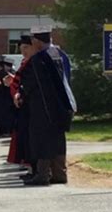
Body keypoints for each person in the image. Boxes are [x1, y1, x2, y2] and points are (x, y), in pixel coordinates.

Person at [18, 25, 75, 186]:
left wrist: (22, 93)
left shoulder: (39, 59)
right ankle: (60, 173)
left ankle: (42, 174)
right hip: (62, 105)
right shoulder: (61, 54)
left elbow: (30, 83)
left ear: (36, 41)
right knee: (58, 139)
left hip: (42, 107)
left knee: (41, 139)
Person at [7, 35, 36, 179]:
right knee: (23, 137)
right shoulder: (25, 62)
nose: (23, 51)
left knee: (29, 137)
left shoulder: (34, 63)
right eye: (21, 49)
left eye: (26, 48)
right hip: (23, 106)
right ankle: (29, 168)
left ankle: (33, 169)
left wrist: (18, 92)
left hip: (31, 106)